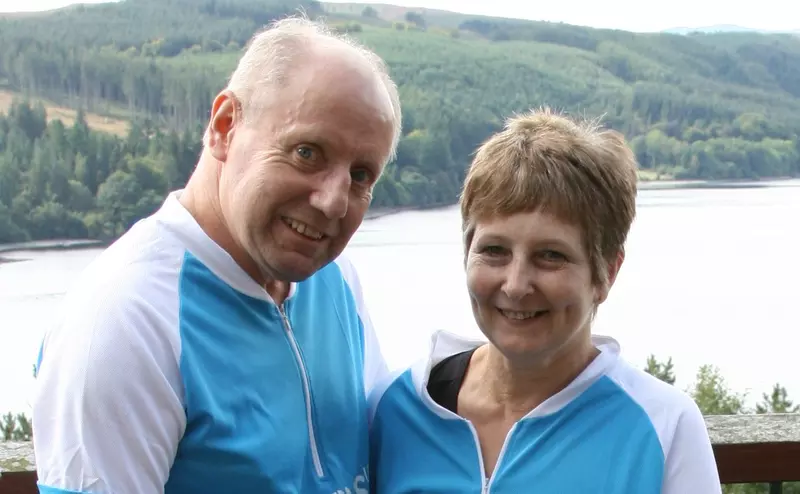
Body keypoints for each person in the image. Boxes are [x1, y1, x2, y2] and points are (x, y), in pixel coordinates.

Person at [32, 16, 401, 494]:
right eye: (307, 152)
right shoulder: (126, 322)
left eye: (360, 175)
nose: (333, 200)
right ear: (225, 126)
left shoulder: (334, 281)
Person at [368, 108, 722, 493]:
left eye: (551, 255)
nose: (516, 285)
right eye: (495, 250)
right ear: (467, 250)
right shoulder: (399, 408)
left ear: (607, 272)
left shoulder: (663, 426)